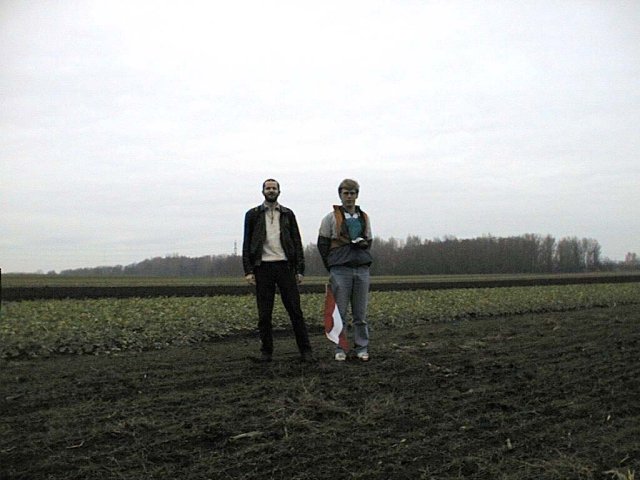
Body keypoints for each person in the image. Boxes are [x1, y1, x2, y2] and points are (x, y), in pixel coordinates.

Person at [242, 179, 313, 363]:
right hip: (262, 268)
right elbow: (246, 243)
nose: (271, 190)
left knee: (295, 311)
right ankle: (266, 353)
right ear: (263, 191)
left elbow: (297, 242)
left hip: (285, 267)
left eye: (274, 188)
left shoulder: (288, 214)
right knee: (264, 314)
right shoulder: (252, 215)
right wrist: (248, 270)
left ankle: (306, 351)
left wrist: (300, 269)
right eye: (268, 188)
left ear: (279, 191)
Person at [317, 178, 373, 362]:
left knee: (360, 314)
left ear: (357, 195)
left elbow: (369, 240)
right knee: (339, 313)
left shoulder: (364, 217)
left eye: (352, 193)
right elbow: (323, 244)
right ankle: (340, 348)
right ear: (340, 195)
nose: (349, 196)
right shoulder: (330, 218)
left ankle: (361, 347)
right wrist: (332, 265)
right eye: (346, 193)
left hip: (362, 269)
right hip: (340, 270)